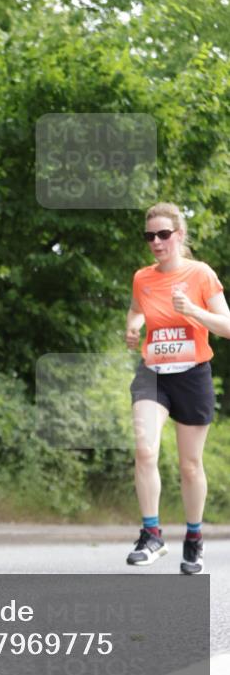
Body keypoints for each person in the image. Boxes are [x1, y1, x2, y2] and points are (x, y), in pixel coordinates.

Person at [125, 201, 230, 575]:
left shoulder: (201, 274)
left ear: (179, 236)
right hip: (153, 374)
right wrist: (133, 325)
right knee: (144, 448)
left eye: (163, 234)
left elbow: (227, 326)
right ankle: (151, 534)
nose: (156, 241)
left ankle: (194, 538)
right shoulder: (143, 277)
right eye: (150, 235)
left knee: (189, 466)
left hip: (193, 376)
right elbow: (139, 308)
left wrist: (194, 312)